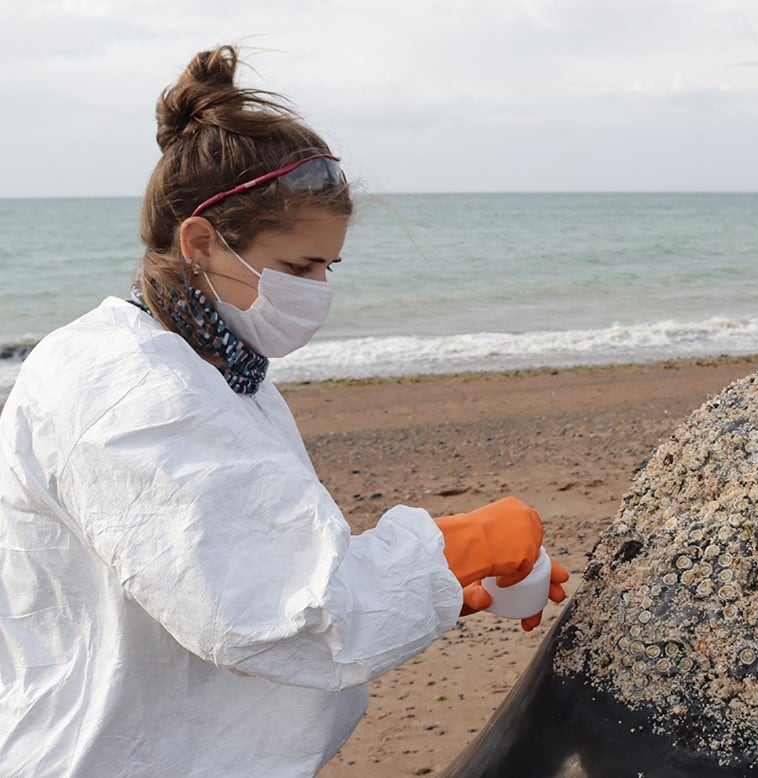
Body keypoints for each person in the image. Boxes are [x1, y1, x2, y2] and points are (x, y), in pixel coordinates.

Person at [0, 45, 569, 776]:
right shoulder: (130, 392)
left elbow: (215, 564)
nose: (318, 290)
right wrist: (458, 545)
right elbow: (277, 611)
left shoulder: (219, 369)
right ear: (201, 242)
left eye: (329, 266)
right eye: (300, 267)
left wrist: (438, 593)